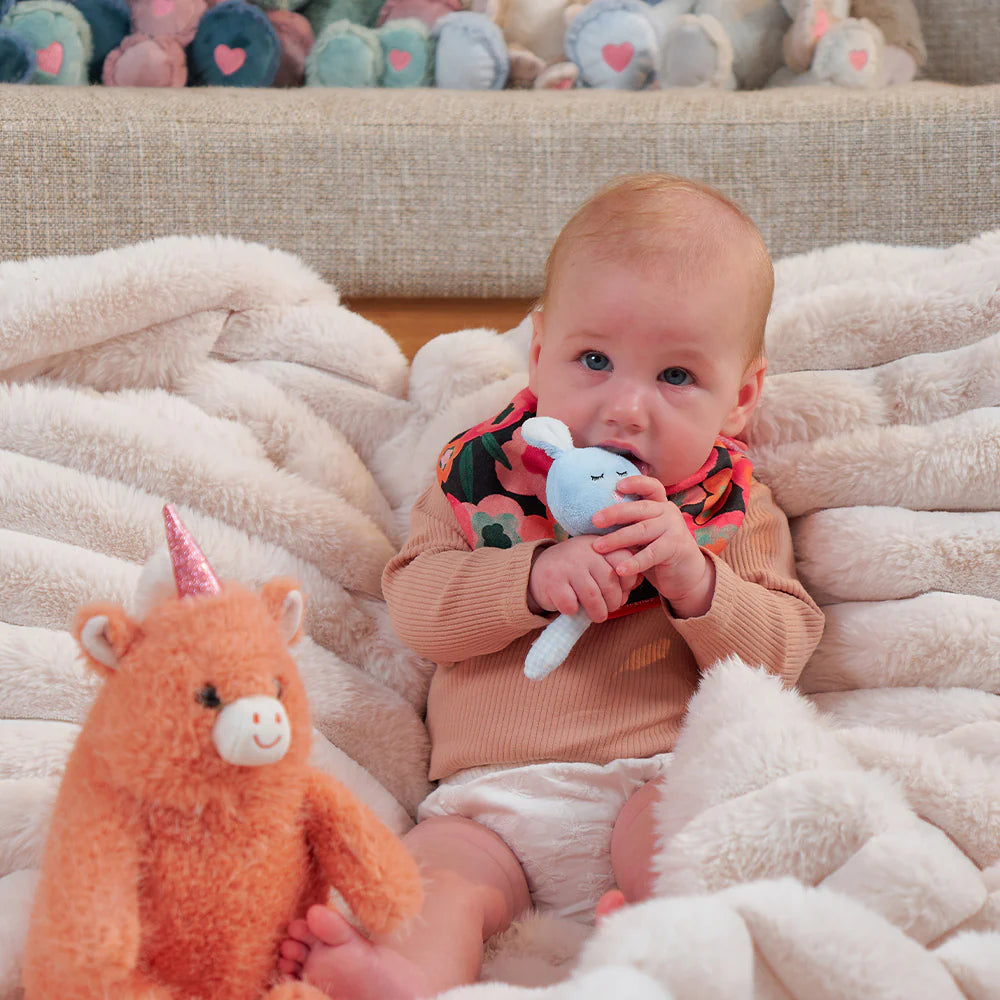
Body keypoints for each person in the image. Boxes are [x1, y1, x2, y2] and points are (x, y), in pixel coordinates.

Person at [278, 173, 825, 998]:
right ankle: (401, 975)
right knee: (436, 881)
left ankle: (659, 960)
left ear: (741, 397)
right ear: (539, 353)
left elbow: (783, 652)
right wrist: (530, 578)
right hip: (491, 802)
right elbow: (420, 609)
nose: (626, 409)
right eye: (594, 360)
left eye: (677, 376)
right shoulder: (480, 479)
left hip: (652, 775)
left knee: (693, 847)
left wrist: (694, 579)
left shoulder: (728, 509)